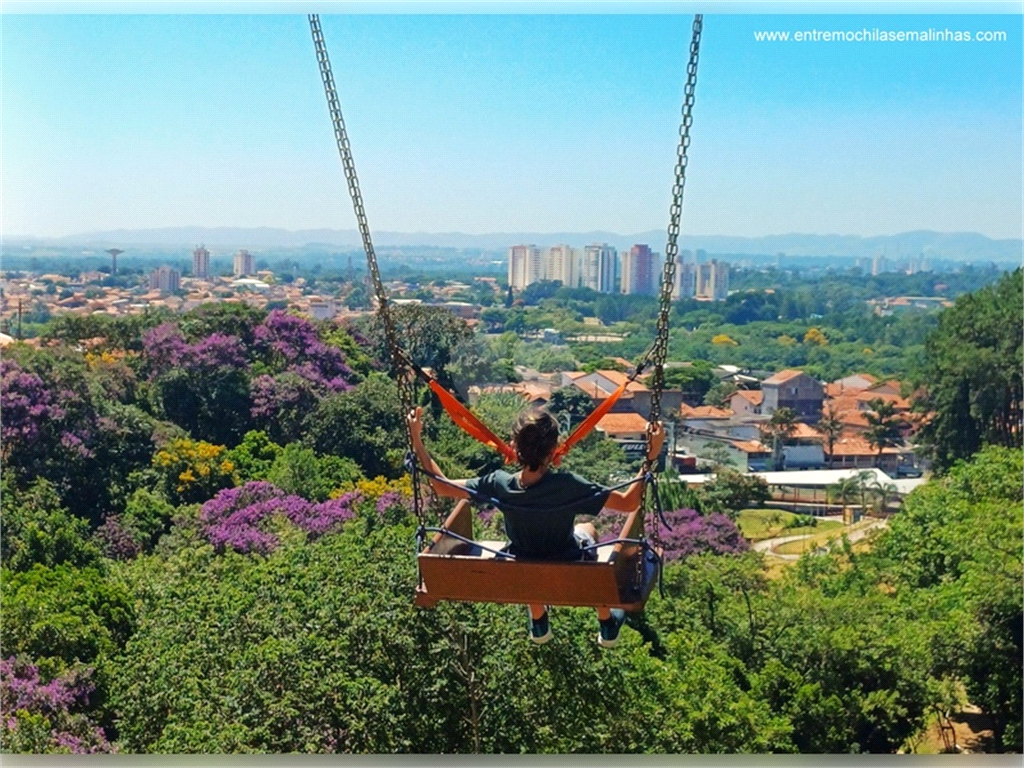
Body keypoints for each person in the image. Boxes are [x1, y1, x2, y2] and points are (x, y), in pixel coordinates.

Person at [408, 405, 665, 647]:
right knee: (588, 529)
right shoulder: (567, 485)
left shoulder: (499, 483)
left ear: (513, 447)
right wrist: (650, 458)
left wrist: (417, 440)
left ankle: (539, 620)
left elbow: (441, 486)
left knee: (527, 556)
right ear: (554, 451)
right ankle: (606, 621)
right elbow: (629, 502)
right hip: (567, 559)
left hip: (524, 563)